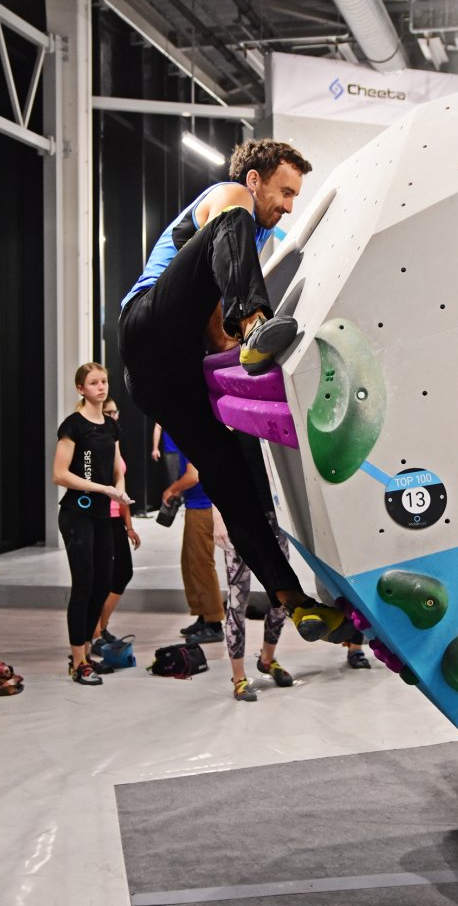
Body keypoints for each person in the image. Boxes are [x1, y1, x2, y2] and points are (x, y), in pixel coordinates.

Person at [118, 138, 359, 647]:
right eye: (285, 191)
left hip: (166, 379)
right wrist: (250, 328)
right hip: (145, 327)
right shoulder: (232, 198)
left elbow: (211, 333)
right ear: (255, 179)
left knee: (231, 481)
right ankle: (256, 319)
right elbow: (216, 290)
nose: (289, 206)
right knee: (234, 226)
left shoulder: (243, 245)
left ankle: (292, 599)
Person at [52, 363, 133, 686]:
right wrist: (101, 488)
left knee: (103, 584)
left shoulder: (111, 428)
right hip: (77, 514)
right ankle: (77, 661)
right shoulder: (73, 426)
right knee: (83, 585)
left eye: (104, 381)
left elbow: (118, 469)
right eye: (94, 383)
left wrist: (121, 488)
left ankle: (86, 652)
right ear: (81, 389)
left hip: (103, 515)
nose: (101, 387)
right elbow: (59, 474)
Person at [213, 431, 293, 703]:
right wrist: (218, 518)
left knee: (284, 596)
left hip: (274, 518)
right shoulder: (226, 423)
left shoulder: (267, 425)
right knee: (238, 599)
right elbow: (213, 472)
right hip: (239, 518)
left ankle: (267, 659)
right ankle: (238, 677)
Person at [160, 433, 225, 644]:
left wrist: (172, 488)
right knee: (190, 563)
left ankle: (214, 623)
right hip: (195, 505)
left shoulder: (188, 433)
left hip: (203, 507)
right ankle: (203, 615)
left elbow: (193, 475)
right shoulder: (176, 433)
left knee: (201, 564)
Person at [90, 398, 141, 657]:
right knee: (109, 575)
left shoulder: (115, 440)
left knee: (121, 574)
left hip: (116, 519)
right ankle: (96, 631)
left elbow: (123, 489)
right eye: (107, 412)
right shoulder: (94, 442)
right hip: (101, 519)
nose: (112, 416)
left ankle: (101, 627)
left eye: (114, 411)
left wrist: (129, 526)